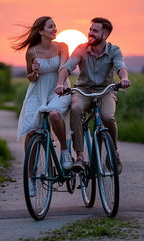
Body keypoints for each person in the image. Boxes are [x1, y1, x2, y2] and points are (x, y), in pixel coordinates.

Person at [55, 17, 130, 174]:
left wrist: (124, 78)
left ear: (106, 34)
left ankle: (113, 153)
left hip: (105, 91)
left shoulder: (114, 50)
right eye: (90, 30)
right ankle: (80, 157)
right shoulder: (82, 49)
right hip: (83, 91)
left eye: (95, 31)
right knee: (75, 109)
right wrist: (60, 83)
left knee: (108, 118)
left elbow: (120, 66)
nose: (90, 33)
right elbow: (67, 67)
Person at [12, 16, 73, 177]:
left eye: (55, 26)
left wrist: (60, 84)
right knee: (31, 131)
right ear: (40, 31)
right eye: (50, 27)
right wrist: (35, 71)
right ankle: (31, 176)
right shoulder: (31, 51)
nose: (54, 29)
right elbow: (30, 78)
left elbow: (63, 68)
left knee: (54, 114)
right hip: (37, 92)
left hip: (59, 89)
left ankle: (65, 151)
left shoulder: (62, 47)